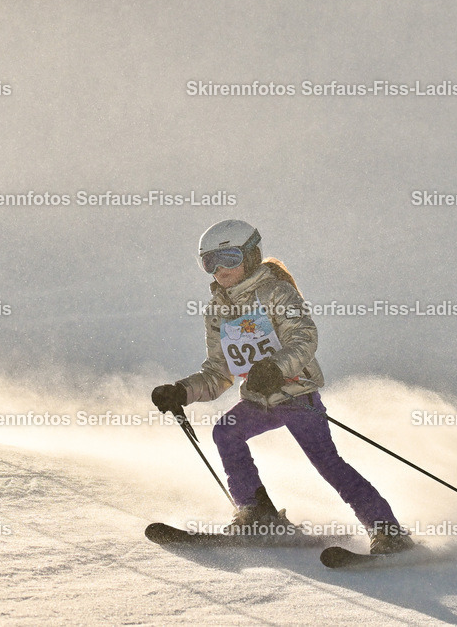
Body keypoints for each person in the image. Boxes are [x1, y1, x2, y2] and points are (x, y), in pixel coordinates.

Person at [152, 219, 413, 554]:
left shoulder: (276, 293)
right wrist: (182, 391)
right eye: (209, 263)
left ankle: (389, 532)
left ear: (251, 255)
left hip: (295, 395)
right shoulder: (218, 310)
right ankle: (257, 515)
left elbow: (304, 338)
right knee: (226, 432)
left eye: (228, 259)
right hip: (259, 401)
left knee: (326, 462)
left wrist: (275, 368)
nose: (219, 269)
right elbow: (220, 372)